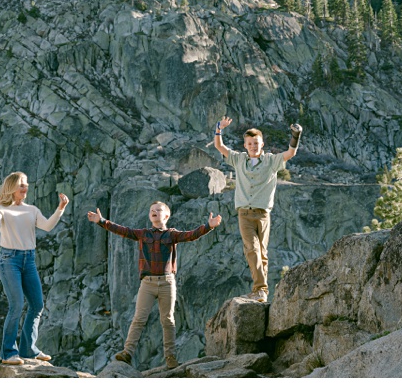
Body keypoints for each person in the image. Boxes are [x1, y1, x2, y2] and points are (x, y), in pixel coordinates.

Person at [87, 201, 222, 370]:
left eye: (158, 210)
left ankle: (171, 358)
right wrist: (101, 221)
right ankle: (127, 353)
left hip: (167, 283)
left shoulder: (172, 235)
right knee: (138, 319)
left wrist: (208, 226)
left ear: (166, 216)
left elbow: (191, 235)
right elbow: (123, 230)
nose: (154, 212)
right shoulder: (143, 234)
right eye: (152, 210)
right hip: (147, 284)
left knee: (168, 320)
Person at [213, 117, 301, 303]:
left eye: (256, 143)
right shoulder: (238, 159)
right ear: (245, 145)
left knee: (262, 252)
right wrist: (219, 129)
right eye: (250, 143)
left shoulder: (271, 161)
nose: (253, 146)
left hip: (262, 214)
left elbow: (290, 153)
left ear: (262, 144)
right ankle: (260, 289)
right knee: (252, 249)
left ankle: (261, 291)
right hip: (244, 213)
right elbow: (220, 147)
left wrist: (295, 135)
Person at [0, 171, 68, 366]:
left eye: (26, 184)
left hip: (29, 260)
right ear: (12, 187)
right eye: (21, 184)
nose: (25, 188)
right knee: (17, 305)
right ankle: (7, 353)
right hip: (9, 260)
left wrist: (61, 208)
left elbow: (47, 226)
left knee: (37, 305)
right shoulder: (2, 208)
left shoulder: (32, 210)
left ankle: (28, 349)